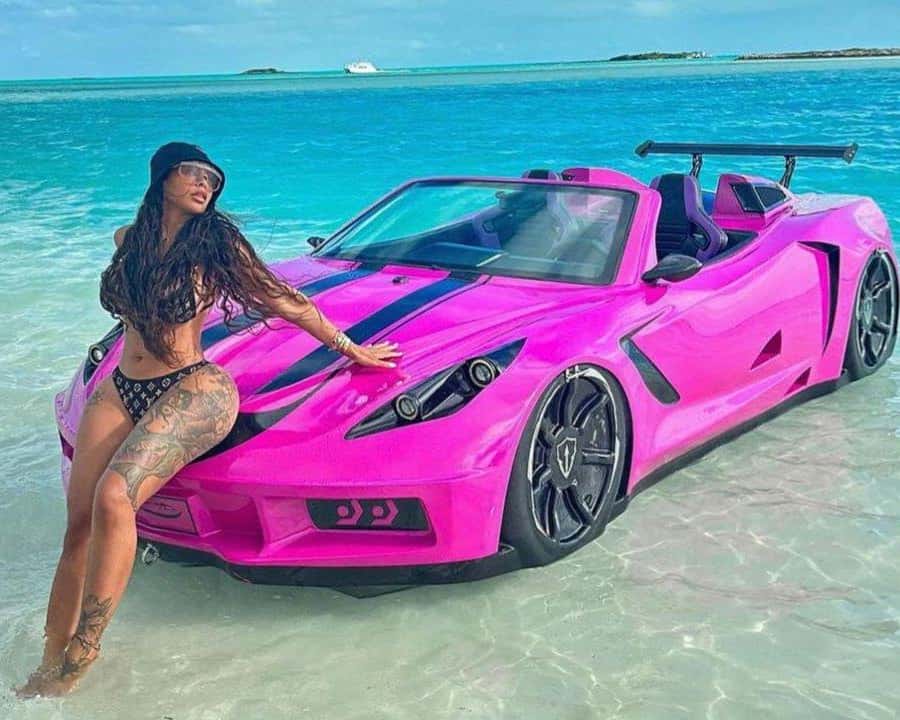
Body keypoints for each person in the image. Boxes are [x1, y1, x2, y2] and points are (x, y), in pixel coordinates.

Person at [15, 141, 402, 698]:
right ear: (162, 176)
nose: (205, 185)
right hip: (121, 388)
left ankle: (82, 655)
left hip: (191, 386)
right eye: (193, 173)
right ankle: (50, 656)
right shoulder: (127, 241)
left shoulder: (217, 245)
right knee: (78, 525)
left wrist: (351, 348)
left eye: (212, 180)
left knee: (114, 499)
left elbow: (285, 299)